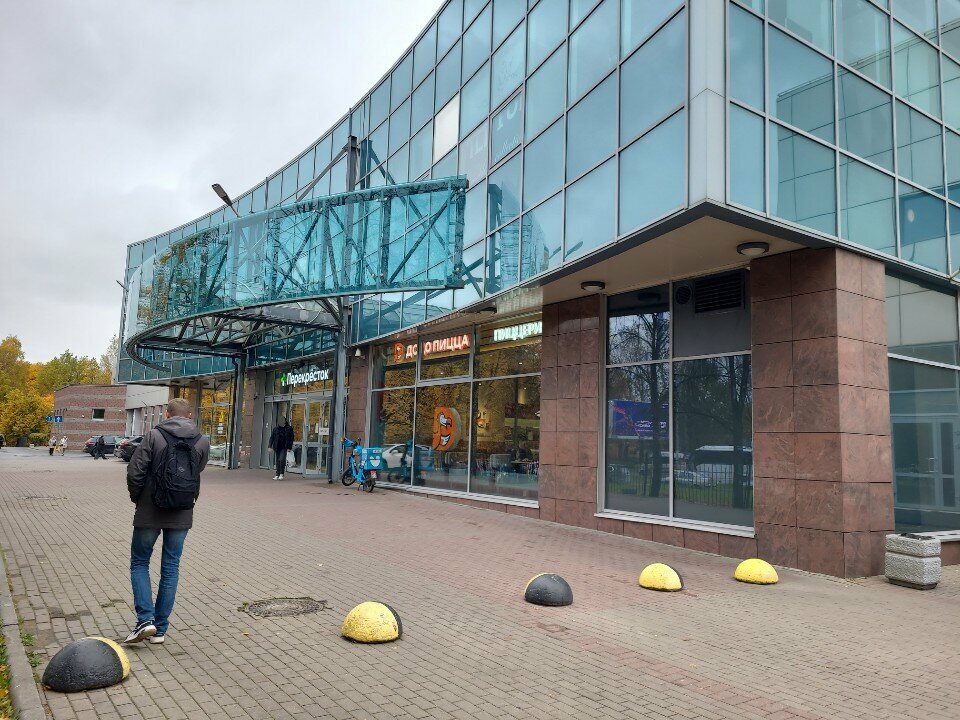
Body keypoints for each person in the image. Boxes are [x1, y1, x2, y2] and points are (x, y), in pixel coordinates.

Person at [124, 398, 210, 645]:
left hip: (149, 510)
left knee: (140, 562)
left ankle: (145, 620)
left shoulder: (154, 436)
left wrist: (139, 498)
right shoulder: (201, 440)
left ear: (167, 414)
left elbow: (135, 471)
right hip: (182, 510)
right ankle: (160, 630)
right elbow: (196, 471)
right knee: (171, 568)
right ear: (190, 415)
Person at [268, 416, 294, 481]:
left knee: (281, 459)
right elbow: (272, 438)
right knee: (278, 460)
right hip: (277, 446)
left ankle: (281, 474)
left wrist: (289, 447)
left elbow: (291, 438)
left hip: (284, 447)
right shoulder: (276, 429)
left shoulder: (289, 428)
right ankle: (277, 474)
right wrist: (269, 446)